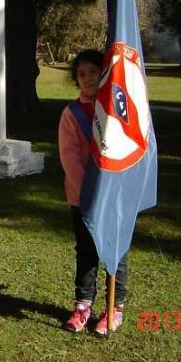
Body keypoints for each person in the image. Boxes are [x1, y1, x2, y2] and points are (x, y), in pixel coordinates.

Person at [59, 49, 128, 335]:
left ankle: (115, 307)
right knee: (86, 251)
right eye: (81, 74)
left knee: (116, 251)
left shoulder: (118, 108)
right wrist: (90, 192)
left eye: (93, 72)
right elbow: (70, 158)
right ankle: (83, 306)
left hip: (116, 197)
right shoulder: (72, 114)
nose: (87, 78)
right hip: (84, 197)